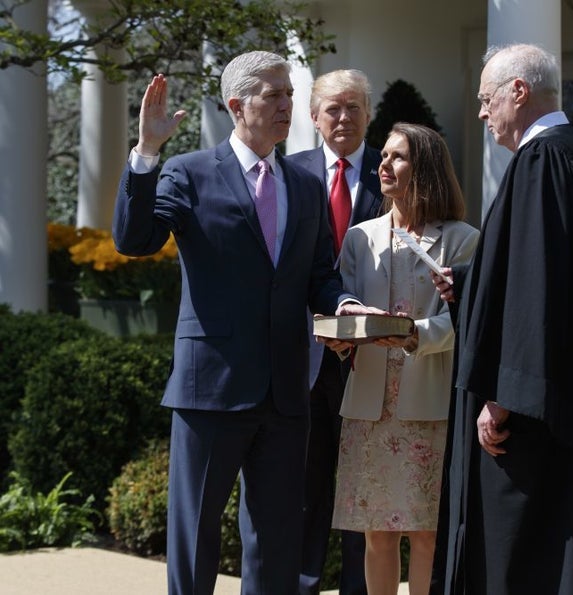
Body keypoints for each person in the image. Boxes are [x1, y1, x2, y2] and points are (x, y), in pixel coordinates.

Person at [112, 51, 376, 595]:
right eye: (274, 95)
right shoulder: (188, 172)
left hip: (286, 392)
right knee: (196, 538)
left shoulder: (304, 185)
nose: (288, 105)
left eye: (289, 94)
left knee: (277, 541)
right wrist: (146, 153)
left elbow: (320, 275)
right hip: (211, 386)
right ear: (237, 105)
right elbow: (134, 241)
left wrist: (345, 304)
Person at [429, 43, 573, 594]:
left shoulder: (542, 161)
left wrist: (502, 400)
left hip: (533, 426)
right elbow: (559, 277)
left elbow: (539, 293)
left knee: (522, 563)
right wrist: (472, 286)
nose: (481, 113)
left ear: (517, 92)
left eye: (485, 99)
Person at [323, 122, 480, 595]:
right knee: (377, 533)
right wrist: (341, 337)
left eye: (397, 157)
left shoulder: (463, 239)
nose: (383, 165)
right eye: (383, 156)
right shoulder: (359, 238)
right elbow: (344, 305)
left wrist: (416, 335)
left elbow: (471, 323)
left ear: (425, 167)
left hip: (428, 406)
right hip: (369, 408)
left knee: (427, 533)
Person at [287, 68, 383, 595]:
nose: (343, 117)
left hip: (371, 359)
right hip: (303, 357)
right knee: (306, 484)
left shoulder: (394, 176)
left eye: (354, 107)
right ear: (314, 117)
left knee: (362, 488)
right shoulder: (288, 173)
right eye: (333, 109)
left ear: (369, 113)